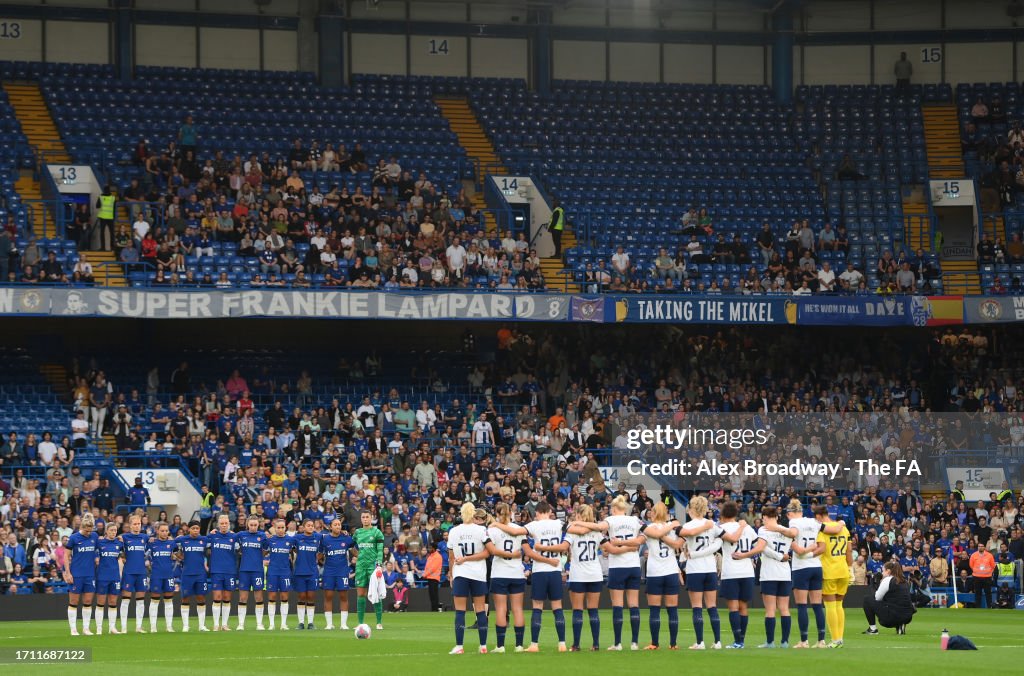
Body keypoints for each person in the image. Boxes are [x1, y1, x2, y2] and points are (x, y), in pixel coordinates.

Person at [643, 502, 708, 650]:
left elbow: (655, 536)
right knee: (672, 609)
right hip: (671, 571)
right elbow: (680, 542)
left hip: (655, 572)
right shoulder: (674, 528)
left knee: (654, 609)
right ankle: (673, 644)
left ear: (653, 513)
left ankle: (655, 643)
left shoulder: (649, 528)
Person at [735, 505, 793, 648]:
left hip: (769, 573)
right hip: (785, 573)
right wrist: (782, 556)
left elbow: (761, 549)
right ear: (777, 517)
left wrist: (744, 555)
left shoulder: (763, 529)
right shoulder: (786, 530)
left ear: (765, 517)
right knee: (784, 608)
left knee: (770, 610)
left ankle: (770, 642)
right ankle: (785, 642)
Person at [447, 503, 501, 655]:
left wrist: (452, 573)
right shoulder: (481, 530)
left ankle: (459, 646)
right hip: (478, 574)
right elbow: (487, 553)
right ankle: (483, 646)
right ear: (474, 514)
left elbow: (451, 557)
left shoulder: (454, 531)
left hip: (461, 573)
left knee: (460, 611)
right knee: (480, 611)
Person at [521, 501, 568, 652]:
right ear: (549, 511)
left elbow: (518, 532)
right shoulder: (558, 524)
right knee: (557, 607)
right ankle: (562, 643)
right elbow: (573, 526)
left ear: (538, 512)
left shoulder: (534, 525)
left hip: (540, 570)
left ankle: (534, 644)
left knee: (537, 607)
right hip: (555, 570)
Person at [602, 494, 646, 650]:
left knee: (618, 605)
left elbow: (601, 531)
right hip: (633, 565)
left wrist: (616, 545)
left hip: (617, 567)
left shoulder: (610, 520)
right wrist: (630, 546)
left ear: (614, 509)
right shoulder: (634, 520)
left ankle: (618, 643)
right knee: (634, 604)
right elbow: (643, 538)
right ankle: (634, 642)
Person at [681, 495, 722, 649]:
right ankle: (717, 641)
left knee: (697, 606)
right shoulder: (711, 524)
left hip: (695, 569)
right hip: (710, 568)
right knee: (712, 606)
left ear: (691, 508)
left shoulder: (689, 525)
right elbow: (721, 539)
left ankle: (700, 642)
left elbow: (685, 537)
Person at [486, 503, 529, 652]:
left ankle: (500, 645)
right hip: (516, 572)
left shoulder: (492, 529)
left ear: (497, 514)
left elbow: (492, 551)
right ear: (511, 512)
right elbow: (525, 550)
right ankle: (519, 645)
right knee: (517, 609)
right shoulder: (518, 529)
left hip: (500, 573)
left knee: (501, 609)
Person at [563, 503, 605, 651]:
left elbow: (565, 545)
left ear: (579, 516)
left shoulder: (572, 531)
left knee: (577, 610)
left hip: (578, 575)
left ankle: (576, 645)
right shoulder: (597, 532)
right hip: (595, 574)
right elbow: (607, 548)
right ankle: (596, 644)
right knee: (593, 610)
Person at [717, 501, 758, 649]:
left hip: (731, 572)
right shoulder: (748, 527)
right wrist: (748, 555)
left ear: (722, 514)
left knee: (733, 607)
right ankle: (742, 640)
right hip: (747, 571)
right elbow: (758, 545)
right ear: (735, 513)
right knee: (743, 607)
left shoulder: (721, 528)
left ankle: (737, 641)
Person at [815, 505, 852, 648]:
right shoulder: (844, 528)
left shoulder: (822, 531)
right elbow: (849, 551)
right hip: (843, 570)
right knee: (839, 605)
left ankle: (835, 640)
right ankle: (840, 639)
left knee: (830, 606)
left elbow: (821, 549)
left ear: (819, 516)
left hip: (829, 571)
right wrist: (850, 568)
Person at [65, 513, 99, 636]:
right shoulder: (74, 538)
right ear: (82, 527)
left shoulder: (94, 536)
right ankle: (73, 629)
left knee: (88, 601)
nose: (88, 533)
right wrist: (67, 573)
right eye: (86, 530)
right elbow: (66, 555)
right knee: (73, 601)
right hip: (76, 574)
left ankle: (86, 628)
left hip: (90, 574)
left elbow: (100, 547)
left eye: (90, 530)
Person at [863, 561, 915, 635]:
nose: (882, 573)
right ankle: (900, 624)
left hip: (892, 618)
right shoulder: (905, 581)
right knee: (894, 603)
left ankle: (873, 629)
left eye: (883, 570)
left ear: (888, 571)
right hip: (907, 617)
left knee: (867, 599)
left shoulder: (887, 580)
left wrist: (873, 582)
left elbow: (877, 598)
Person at [174, 520, 209, 631]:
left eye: (197, 528)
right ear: (189, 529)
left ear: (199, 530)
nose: (195, 530)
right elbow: (173, 548)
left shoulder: (204, 540)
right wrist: (178, 556)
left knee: (201, 598)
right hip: (187, 574)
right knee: (185, 598)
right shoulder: (182, 540)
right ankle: (185, 625)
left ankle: (202, 625)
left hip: (200, 574)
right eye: (193, 528)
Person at [353, 510, 385, 630]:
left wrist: (379, 565)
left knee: (375, 593)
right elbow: (351, 545)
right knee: (360, 594)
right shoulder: (357, 533)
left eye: (367, 517)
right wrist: (357, 556)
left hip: (373, 566)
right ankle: (360, 622)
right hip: (361, 566)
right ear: (361, 519)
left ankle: (379, 622)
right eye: (363, 517)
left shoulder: (377, 532)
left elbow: (380, 550)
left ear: (371, 518)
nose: (365, 519)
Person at [320, 517, 354, 630]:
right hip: (329, 572)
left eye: (339, 524)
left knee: (344, 596)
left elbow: (354, 551)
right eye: (335, 525)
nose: (338, 526)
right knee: (328, 596)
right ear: (330, 527)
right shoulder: (325, 539)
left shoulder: (347, 538)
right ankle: (329, 624)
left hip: (342, 571)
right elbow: (319, 556)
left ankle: (343, 624)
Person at [235, 515, 268, 630]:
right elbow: (229, 538)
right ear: (247, 525)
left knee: (259, 597)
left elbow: (266, 550)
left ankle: (259, 624)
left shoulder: (262, 536)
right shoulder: (241, 535)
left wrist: (258, 558)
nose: (253, 527)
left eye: (255, 525)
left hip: (258, 570)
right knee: (243, 598)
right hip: (244, 570)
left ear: (258, 525)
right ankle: (241, 624)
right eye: (251, 525)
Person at [119, 513, 150, 633]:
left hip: (141, 572)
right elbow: (118, 551)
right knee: (125, 600)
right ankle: (123, 627)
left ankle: (139, 627)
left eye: (139, 524)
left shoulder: (145, 537)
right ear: (130, 525)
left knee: (141, 600)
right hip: (129, 572)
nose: (137, 526)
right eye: (135, 524)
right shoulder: (124, 538)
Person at [207, 514, 237, 632]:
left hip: (230, 571)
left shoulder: (234, 537)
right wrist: (210, 533)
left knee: (226, 597)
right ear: (218, 525)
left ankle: (224, 624)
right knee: (217, 597)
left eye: (226, 523)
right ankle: (215, 624)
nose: (224, 525)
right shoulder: (213, 536)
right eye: (222, 523)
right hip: (216, 571)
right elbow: (203, 543)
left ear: (229, 524)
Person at [146, 522, 177, 632]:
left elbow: (178, 554)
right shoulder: (151, 542)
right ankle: (153, 627)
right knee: (155, 601)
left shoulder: (172, 543)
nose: (164, 532)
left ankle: (169, 626)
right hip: (156, 576)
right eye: (162, 530)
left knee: (168, 600)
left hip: (168, 575)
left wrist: (176, 556)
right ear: (157, 531)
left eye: (166, 530)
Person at [265, 518, 295, 630]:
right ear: (274, 528)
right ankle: (272, 624)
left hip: (285, 572)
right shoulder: (270, 540)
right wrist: (263, 561)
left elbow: (295, 551)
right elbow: (263, 552)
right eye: (278, 528)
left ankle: (283, 624)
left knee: (284, 597)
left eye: (282, 527)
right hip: (273, 572)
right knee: (272, 597)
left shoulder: (290, 540)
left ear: (285, 528)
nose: (281, 530)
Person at [293, 518, 322, 629]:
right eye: (308, 525)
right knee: (301, 597)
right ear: (304, 527)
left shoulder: (318, 537)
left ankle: (310, 622)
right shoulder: (297, 538)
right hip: (300, 571)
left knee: (311, 597)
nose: (311, 527)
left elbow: (325, 545)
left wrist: (317, 558)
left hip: (312, 572)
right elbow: (292, 548)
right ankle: (301, 623)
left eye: (312, 525)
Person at [96, 523, 124, 635]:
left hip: (115, 576)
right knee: (100, 602)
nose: (114, 532)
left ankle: (112, 627)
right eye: (111, 530)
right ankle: (99, 628)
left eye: (115, 530)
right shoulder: (100, 542)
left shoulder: (119, 543)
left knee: (113, 602)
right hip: (102, 576)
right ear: (106, 531)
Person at [423, 543, 443, 613]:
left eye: (430, 548)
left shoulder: (437, 556)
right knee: (432, 594)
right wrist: (425, 574)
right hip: (430, 577)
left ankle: (435, 609)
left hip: (434, 578)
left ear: (434, 548)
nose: (429, 549)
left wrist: (425, 574)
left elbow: (433, 568)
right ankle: (433, 608)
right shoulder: (430, 556)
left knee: (434, 594)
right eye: (428, 548)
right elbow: (427, 567)